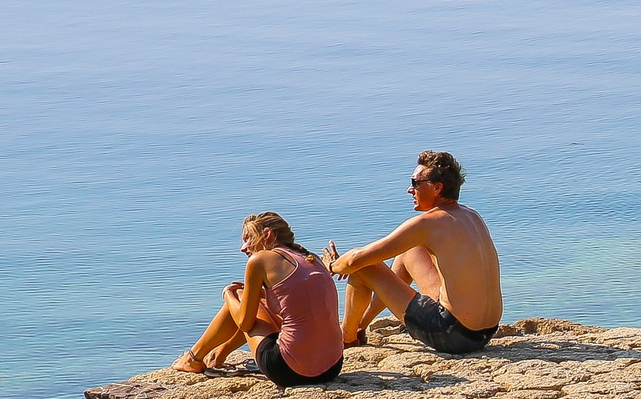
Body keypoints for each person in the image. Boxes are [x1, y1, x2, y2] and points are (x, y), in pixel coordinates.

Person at [323, 150, 503, 354]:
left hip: (452, 335)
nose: (410, 190)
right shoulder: (471, 215)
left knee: (363, 268)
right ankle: (361, 326)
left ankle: (346, 338)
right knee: (410, 250)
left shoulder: (428, 224)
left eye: (415, 183)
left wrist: (331, 265)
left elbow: (355, 260)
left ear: (437, 188)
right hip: (485, 332)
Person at [174, 212, 346, 385]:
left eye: (248, 238)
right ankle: (219, 354)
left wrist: (228, 294)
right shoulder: (311, 258)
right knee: (257, 302)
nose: (243, 248)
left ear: (267, 234)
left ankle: (193, 358)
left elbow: (245, 323)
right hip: (332, 367)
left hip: (289, 370)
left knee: (240, 296)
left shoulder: (260, 260)